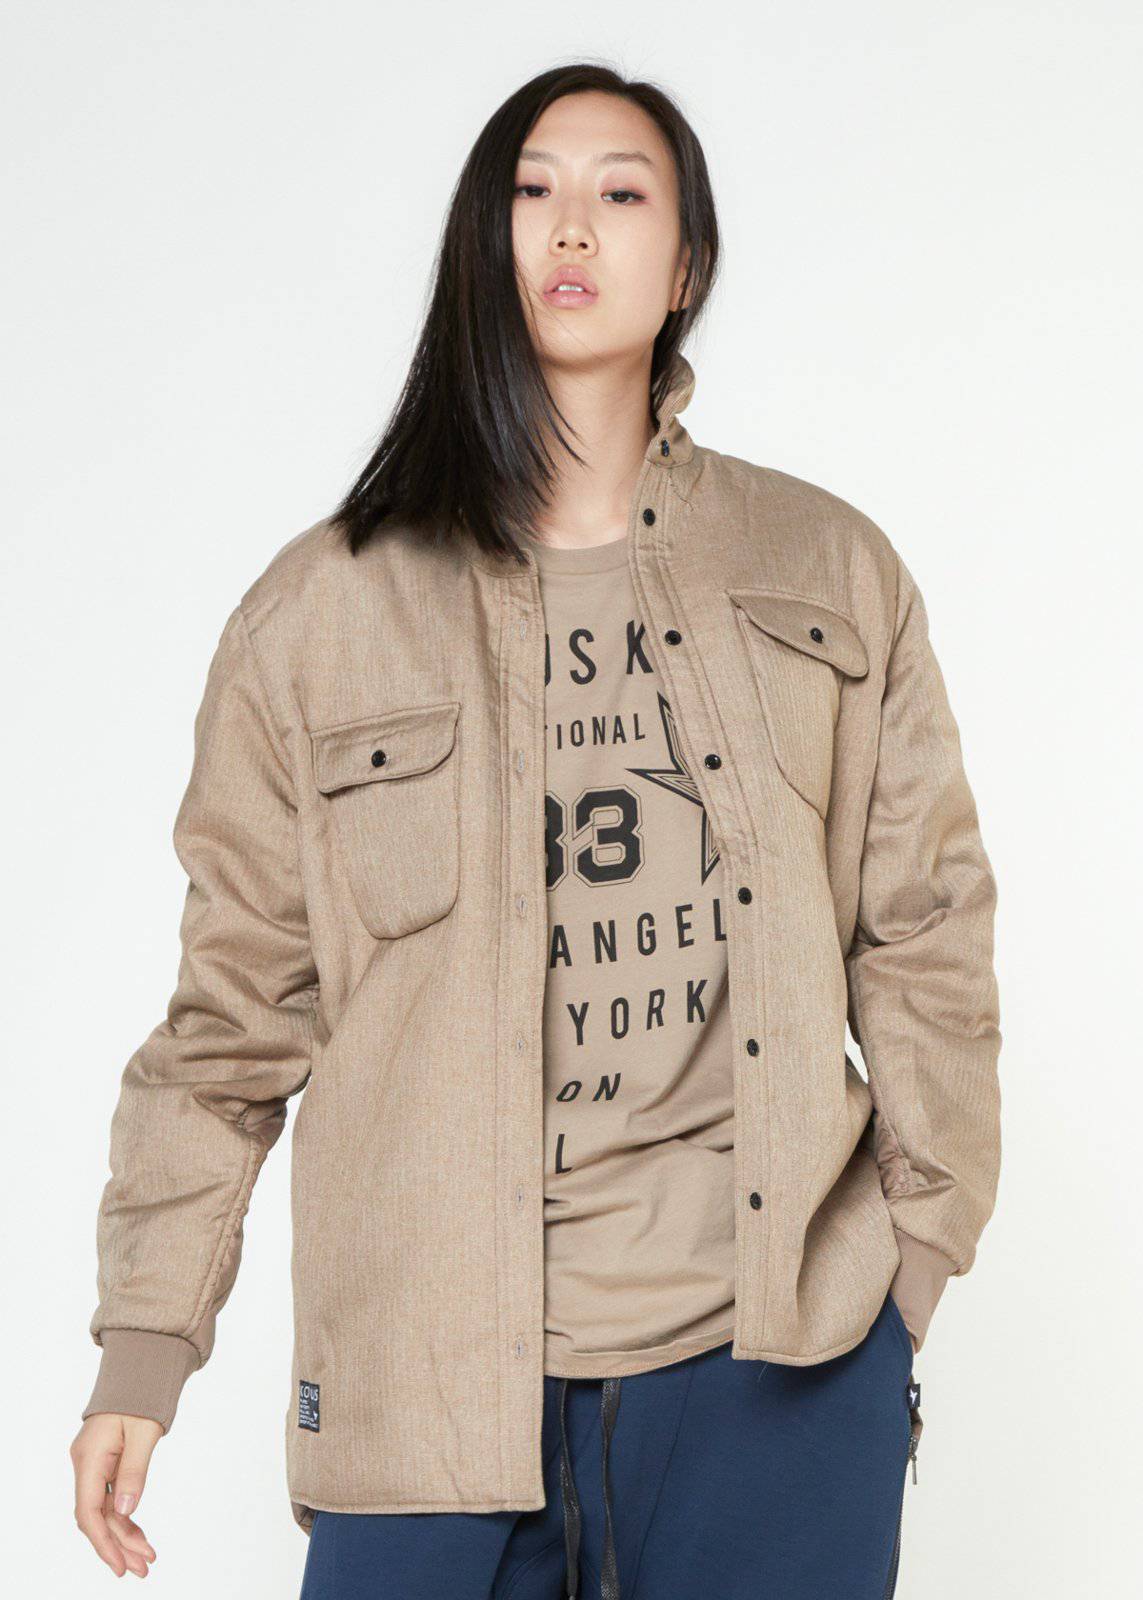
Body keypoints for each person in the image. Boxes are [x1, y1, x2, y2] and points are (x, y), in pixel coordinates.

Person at [70, 63, 1001, 1599]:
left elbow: (925, 938)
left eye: (622, 191)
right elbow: (230, 1017)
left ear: (686, 264)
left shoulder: (828, 569)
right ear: (481, 242)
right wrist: (145, 1345)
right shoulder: (320, 616)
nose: (573, 225)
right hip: (425, 1396)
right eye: (532, 188)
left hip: (776, 1381)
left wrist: (912, 1266)